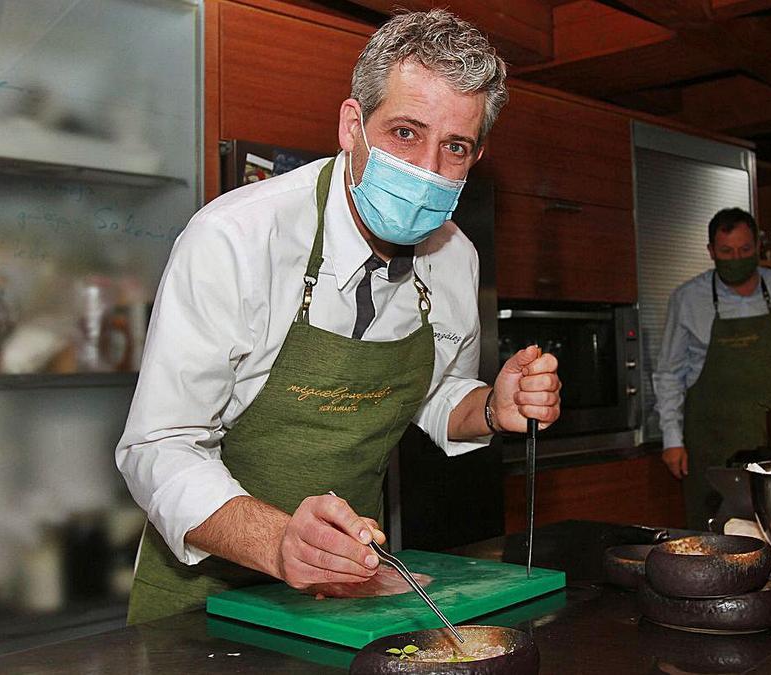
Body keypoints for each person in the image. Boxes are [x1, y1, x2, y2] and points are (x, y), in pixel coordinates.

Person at [115, 10, 561, 624]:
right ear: (353, 126)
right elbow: (158, 445)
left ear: (475, 155)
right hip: (203, 600)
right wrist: (277, 542)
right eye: (406, 133)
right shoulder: (236, 238)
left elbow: (434, 397)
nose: (428, 170)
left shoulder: (455, 257)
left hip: (353, 588)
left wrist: (490, 408)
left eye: (453, 147)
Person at [653, 208, 771, 530]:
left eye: (745, 250)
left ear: (757, 246)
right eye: (727, 252)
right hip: (711, 441)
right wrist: (672, 440)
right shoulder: (687, 298)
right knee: (715, 533)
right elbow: (669, 374)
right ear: (711, 252)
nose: (737, 258)